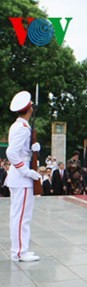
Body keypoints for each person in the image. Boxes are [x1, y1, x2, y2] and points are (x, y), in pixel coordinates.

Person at [5, 90, 42, 262]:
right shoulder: (22, 128)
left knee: (20, 216)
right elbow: (11, 152)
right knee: (21, 217)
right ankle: (19, 252)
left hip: (19, 176)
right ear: (29, 109)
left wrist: (32, 148)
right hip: (21, 177)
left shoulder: (19, 126)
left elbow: (19, 150)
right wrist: (26, 171)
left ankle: (21, 249)